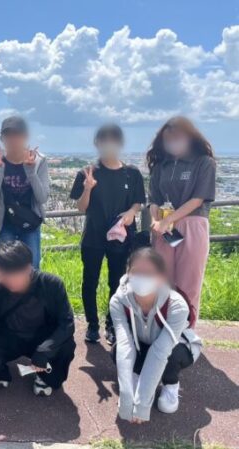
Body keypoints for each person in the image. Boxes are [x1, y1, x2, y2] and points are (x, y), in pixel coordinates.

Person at [70, 124, 145, 345]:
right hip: (93, 237)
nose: (109, 145)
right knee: (90, 281)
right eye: (104, 141)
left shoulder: (132, 173)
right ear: (97, 144)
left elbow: (138, 202)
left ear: (120, 144)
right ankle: (92, 326)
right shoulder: (87, 173)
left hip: (120, 238)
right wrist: (88, 188)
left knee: (117, 282)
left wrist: (131, 213)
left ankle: (112, 325)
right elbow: (81, 208)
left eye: (113, 141)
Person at [0, 241, 76, 396]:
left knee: (66, 346)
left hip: (42, 337)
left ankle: (45, 377)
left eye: (15, 274)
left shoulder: (51, 284)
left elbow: (67, 324)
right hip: (10, 336)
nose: (10, 281)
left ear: (28, 268)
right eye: (5, 275)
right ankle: (0, 373)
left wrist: (45, 349)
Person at [110, 248, 202, 423]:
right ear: (127, 273)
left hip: (176, 347)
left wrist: (142, 405)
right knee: (116, 351)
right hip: (143, 344)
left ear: (161, 277)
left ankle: (170, 385)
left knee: (172, 356)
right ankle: (137, 377)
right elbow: (125, 344)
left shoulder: (177, 305)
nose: (142, 277)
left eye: (149, 273)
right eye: (136, 271)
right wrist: (126, 393)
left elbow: (160, 351)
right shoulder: (118, 301)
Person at [147, 116, 216, 320]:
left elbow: (197, 199)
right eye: (168, 139)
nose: (173, 143)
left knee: (189, 283)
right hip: (164, 229)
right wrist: (156, 220)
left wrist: (168, 220)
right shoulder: (161, 166)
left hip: (192, 224)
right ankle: (162, 326)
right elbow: (154, 200)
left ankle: (186, 330)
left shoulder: (204, 162)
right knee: (162, 280)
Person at [0, 116, 50, 269]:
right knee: (5, 267)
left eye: (17, 134)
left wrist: (31, 172)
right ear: (2, 138)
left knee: (32, 268)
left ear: (26, 136)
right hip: (4, 223)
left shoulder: (39, 161)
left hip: (30, 221)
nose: (13, 139)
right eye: (8, 135)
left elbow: (42, 198)